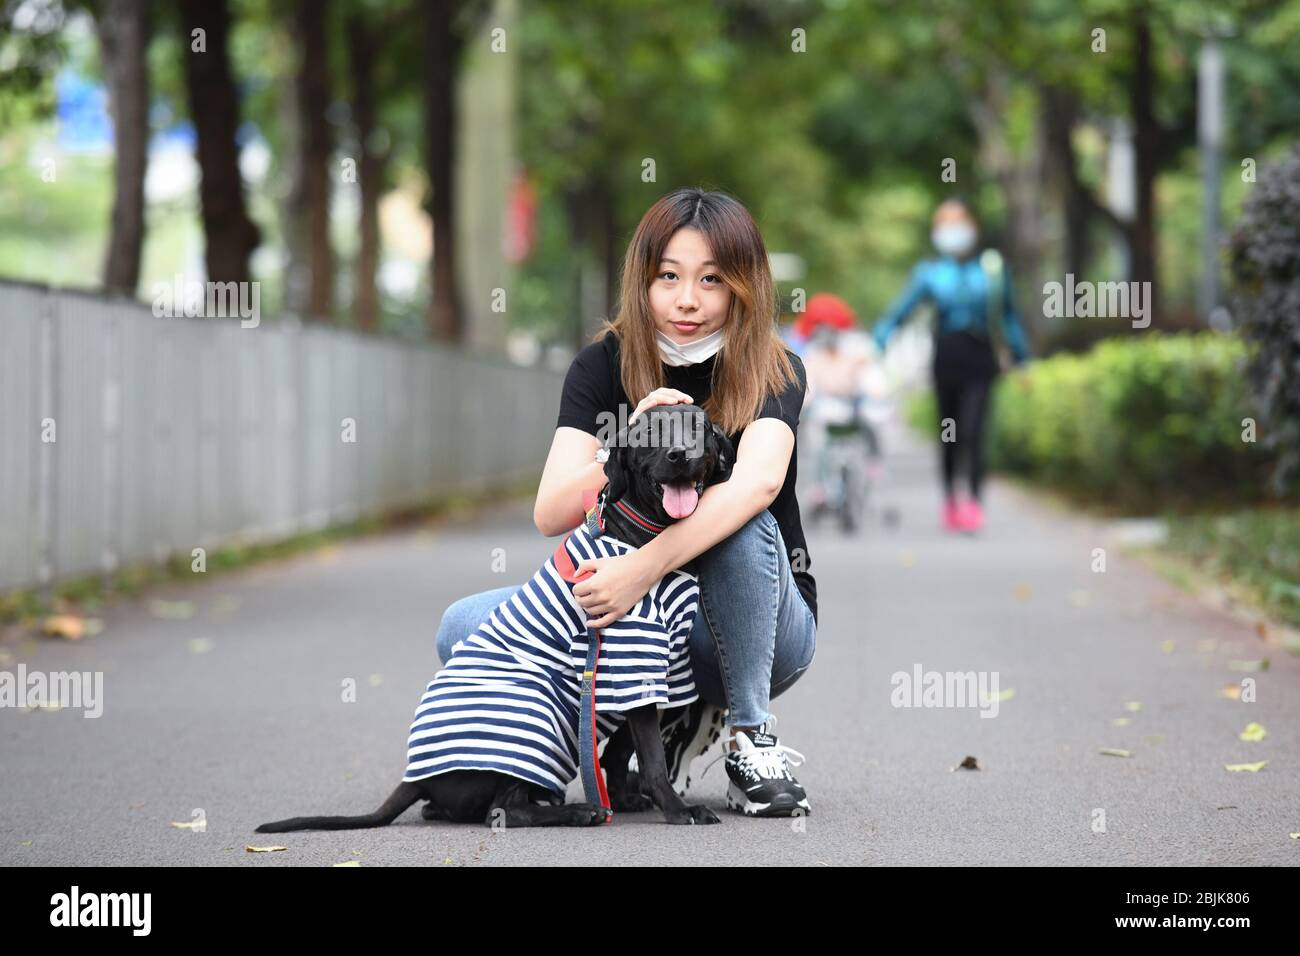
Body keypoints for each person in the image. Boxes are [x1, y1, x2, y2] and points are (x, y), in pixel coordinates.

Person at [434, 188, 817, 817]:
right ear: (642, 280)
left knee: (740, 522)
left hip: (757, 632)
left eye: (711, 280)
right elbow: (551, 512)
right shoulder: (602, 365)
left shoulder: (774, 367)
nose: (687, 298)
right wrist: (624, 440)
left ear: (744, 288)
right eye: (668, 277)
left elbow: (760, 485)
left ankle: (749, 734)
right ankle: (572, 745)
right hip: (640, 629)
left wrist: (643, 568)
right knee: (462, 628)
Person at [871, 198, 1029, 533]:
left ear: (972, 228)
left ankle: (972, 501)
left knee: (973, 432)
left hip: (981, 358)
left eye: (958, 222)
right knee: (950, 434)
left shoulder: (993, 270)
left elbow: (1009, 317)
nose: (952, 231)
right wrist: (879, 341)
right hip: (946, 359)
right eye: (945, 224)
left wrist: (1022, 359)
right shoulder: (930, 274)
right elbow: (902, 310)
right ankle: (950, 501)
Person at [797, 294, 883, 508]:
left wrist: (874, 391)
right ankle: (820, 485)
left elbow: (871, 379)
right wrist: (807, 402)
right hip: (827, 411)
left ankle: (873, 463)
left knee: (869, 425)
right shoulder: (814, 355)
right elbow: (809, 385)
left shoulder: (855, 353)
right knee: (818, 442)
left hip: (852, 407)